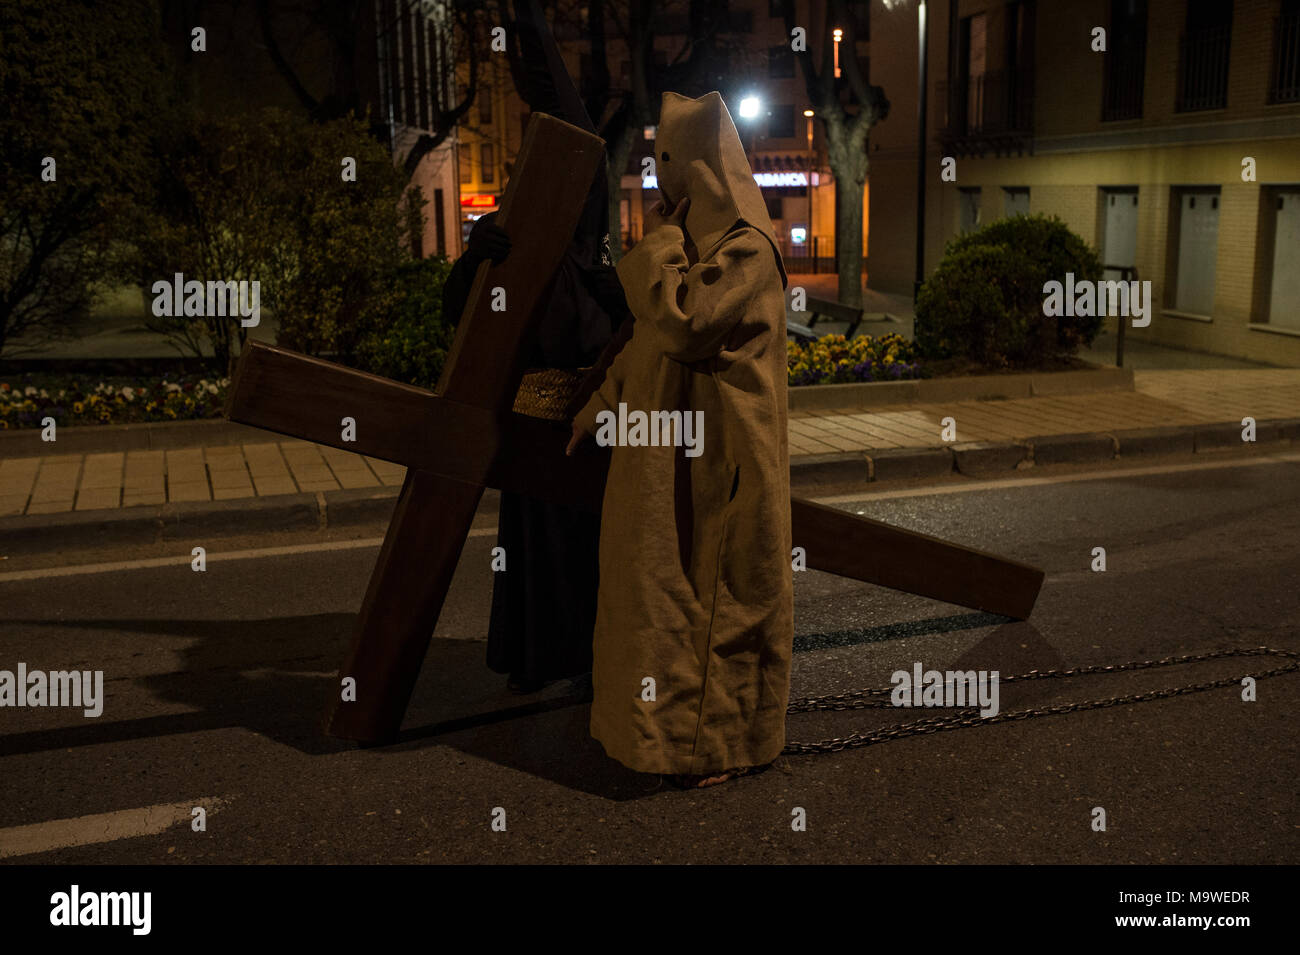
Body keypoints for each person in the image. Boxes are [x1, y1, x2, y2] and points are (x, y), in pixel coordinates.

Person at [566, 91, 793, 787]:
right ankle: (652, 738)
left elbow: (684, 322)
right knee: (655, 604)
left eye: (670, 166)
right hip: (660, 459)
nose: (664, 186)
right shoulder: (693, 247)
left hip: (718, 465)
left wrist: (661, 244)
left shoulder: (747, 250)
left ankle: (714, 746)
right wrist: (600, 406)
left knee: (711, 601)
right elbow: (643, 347)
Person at [441, 0, 629, 694]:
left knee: (583, 541)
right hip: (528, 411)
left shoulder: (589, 245)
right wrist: (474, 261)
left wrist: (537, 36)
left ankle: (585, 655)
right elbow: (456, 313)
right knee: (533, 545)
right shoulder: (510, 233)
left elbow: (578, 132)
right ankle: (539, 655)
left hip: (584, 411)